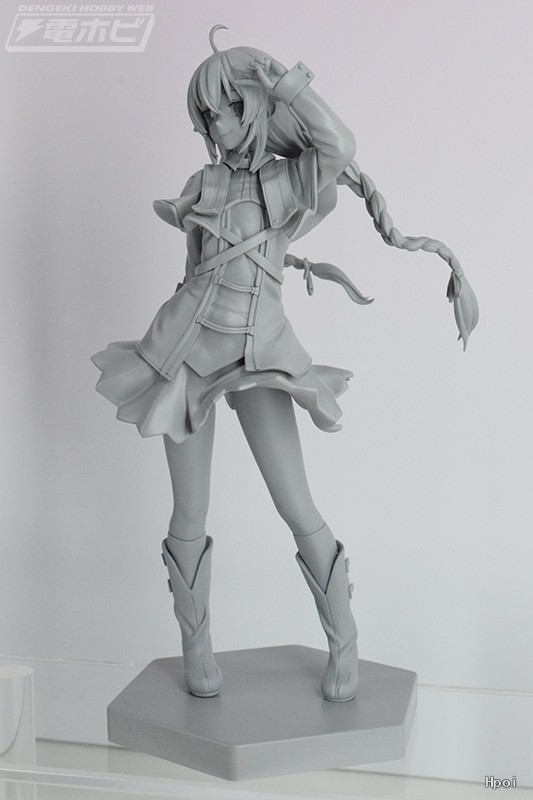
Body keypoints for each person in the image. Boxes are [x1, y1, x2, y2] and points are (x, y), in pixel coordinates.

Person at [92, 27, 478, 703]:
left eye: (227, 107)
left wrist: (281, 79)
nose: (217, 124)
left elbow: (340, 145)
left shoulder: (289, 179)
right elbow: (193, 269)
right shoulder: (203, 183)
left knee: (295, 502)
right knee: (188, 511)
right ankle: (195, 646)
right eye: (206, 115)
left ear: (253, 105)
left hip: (259, 353)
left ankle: (343, 638)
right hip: (185, 352)